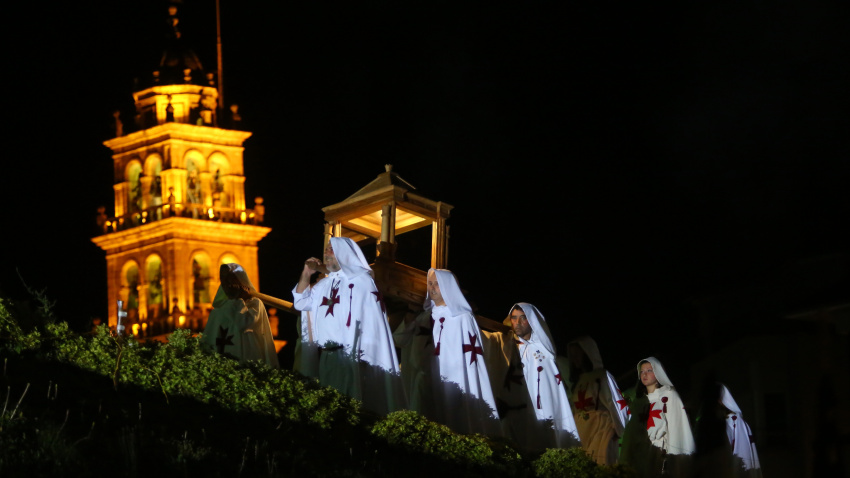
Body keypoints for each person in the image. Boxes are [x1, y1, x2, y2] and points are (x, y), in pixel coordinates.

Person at [291, 237, 405, 416]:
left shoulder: (362, 282)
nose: (326, 253)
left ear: (344, 254)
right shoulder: (324, 284)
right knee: (330, 409)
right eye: (327, 249)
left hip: (352, 357)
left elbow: (371, 324)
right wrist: (306, 273)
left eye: (331, 249)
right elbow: (301, 303)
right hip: (328, 357)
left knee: (351, 409)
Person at [424, 269, 501, 436]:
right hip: (430, 374)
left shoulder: (462, 317)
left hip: (458, 375)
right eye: (430, 283)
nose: (432, 288)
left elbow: (471, 354)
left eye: (437, 283)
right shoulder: (426, 317)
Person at [509, 303, 580, 448]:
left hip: (546, 405)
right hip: (523, 405)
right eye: (514, 318)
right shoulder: (511, 349)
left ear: (532, 320)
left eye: (523, 318)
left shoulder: (544, 348)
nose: (518, 322)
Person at [620, 356, 695, 478]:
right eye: (642, 371)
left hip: (660, 455)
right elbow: (632, 431)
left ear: (658, 372)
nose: (645, 374)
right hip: (639, 455)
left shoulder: (669, 396)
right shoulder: (639, 402)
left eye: (649, 370)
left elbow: (677, 428)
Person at [200, 263, 279, 369]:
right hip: (224, 362)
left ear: (240, 280)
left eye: (230, 279)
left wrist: (238, 301)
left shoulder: (255, 304)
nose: (226, 283)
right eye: (223, 279)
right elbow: (208, 341)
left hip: (250, 357)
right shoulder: (218, 310)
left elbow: (243, 323)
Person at [565, 335, 630, 464]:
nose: (574, 359)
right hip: (581, 430)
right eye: (572, 355)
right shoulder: (578, 382)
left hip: (600, 430)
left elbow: (615, 403)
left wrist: (619, 430)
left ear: (587, 354)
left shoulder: (602, 376)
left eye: (577, 354)